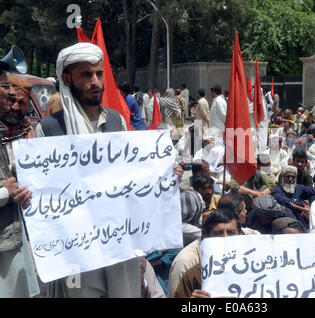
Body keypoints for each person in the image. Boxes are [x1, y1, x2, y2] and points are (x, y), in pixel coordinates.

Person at [36, 42, 183, 297]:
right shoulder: (49, 129)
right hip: (78, 251)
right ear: (67, 78)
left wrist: (165, 175)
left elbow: (134, 175)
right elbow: (46, 194)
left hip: (120, 245)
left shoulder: (117, 121)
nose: (95, 81)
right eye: (86, 75)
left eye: (99, 74)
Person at [0, 68, 40, 297]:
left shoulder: (31, 132)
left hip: (18, 233)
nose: (13, 104)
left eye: (20, 102)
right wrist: (6, 191)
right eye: (6, 90)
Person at [173, 208, 243, 298]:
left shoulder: (257, 271)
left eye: (231, 233)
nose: (225, 238)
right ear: (205, 235)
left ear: (240, 235)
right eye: (218, 233)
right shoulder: (194, 276)